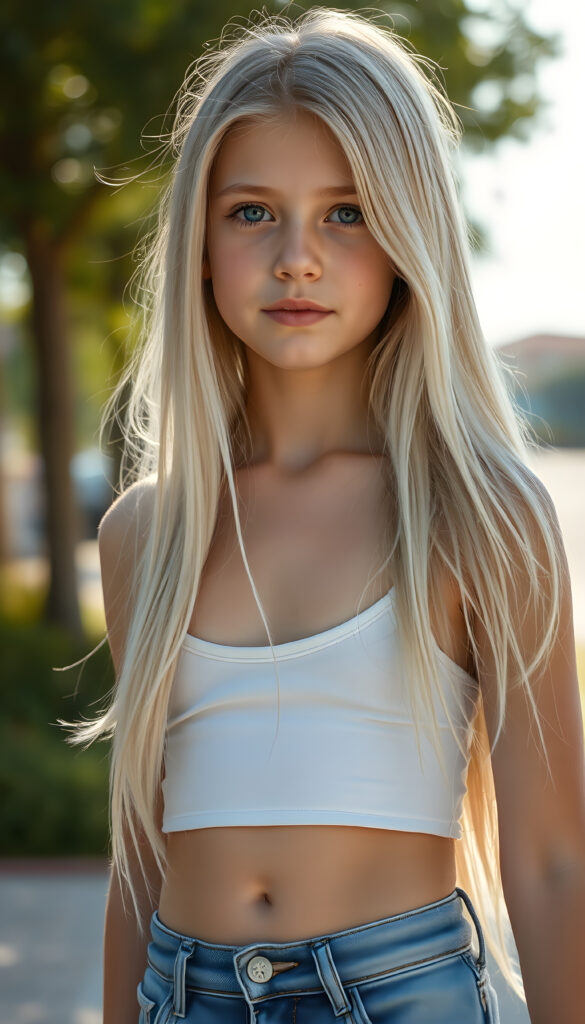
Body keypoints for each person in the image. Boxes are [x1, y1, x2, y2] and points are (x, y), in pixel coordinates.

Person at [64, 8, 585, 1023]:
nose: (296, 257)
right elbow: (140, 852)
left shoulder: (482, 515)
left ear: (407, 239)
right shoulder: (145, 533)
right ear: (201, 245)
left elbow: (556, 860)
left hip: (401, 996)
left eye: (346, 213)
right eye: (252, 212)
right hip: (184, 994)